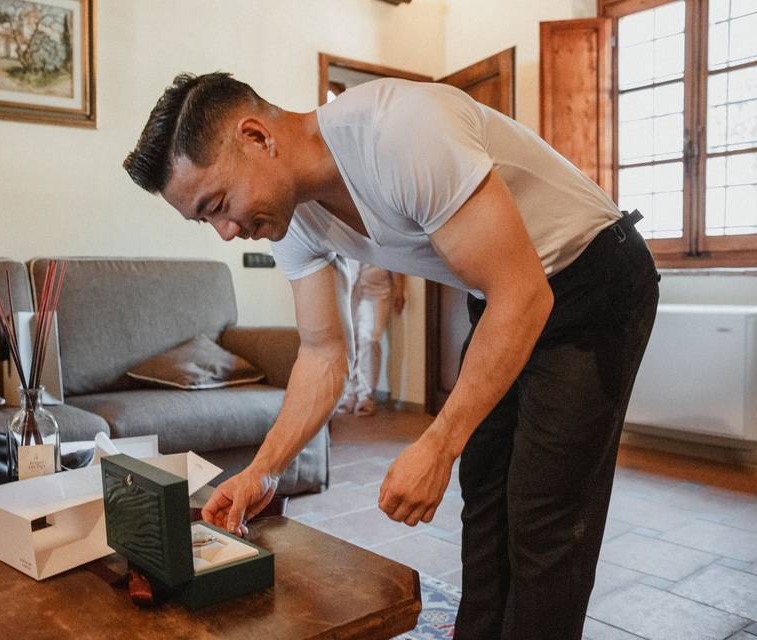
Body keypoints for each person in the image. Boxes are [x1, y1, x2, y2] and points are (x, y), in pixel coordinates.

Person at [123, 72, 659, 639]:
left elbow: (524, 296)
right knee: (485, 499)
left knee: (544, 515)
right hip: (506, 294)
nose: (226, 232)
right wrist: (262, 470)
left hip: (593, 278)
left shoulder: (402, 131)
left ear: (257, 136)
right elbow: (324, 351)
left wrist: (437, 442)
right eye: (206, 220)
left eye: (218, 204)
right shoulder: (289, 217)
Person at [337, 262, 405, 416]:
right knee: (349, 342)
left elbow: (393, 258)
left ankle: (366, 395)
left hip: (376, 291)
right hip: (349, 289)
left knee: (369, 340)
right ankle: (349, 393)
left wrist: (400, 290)